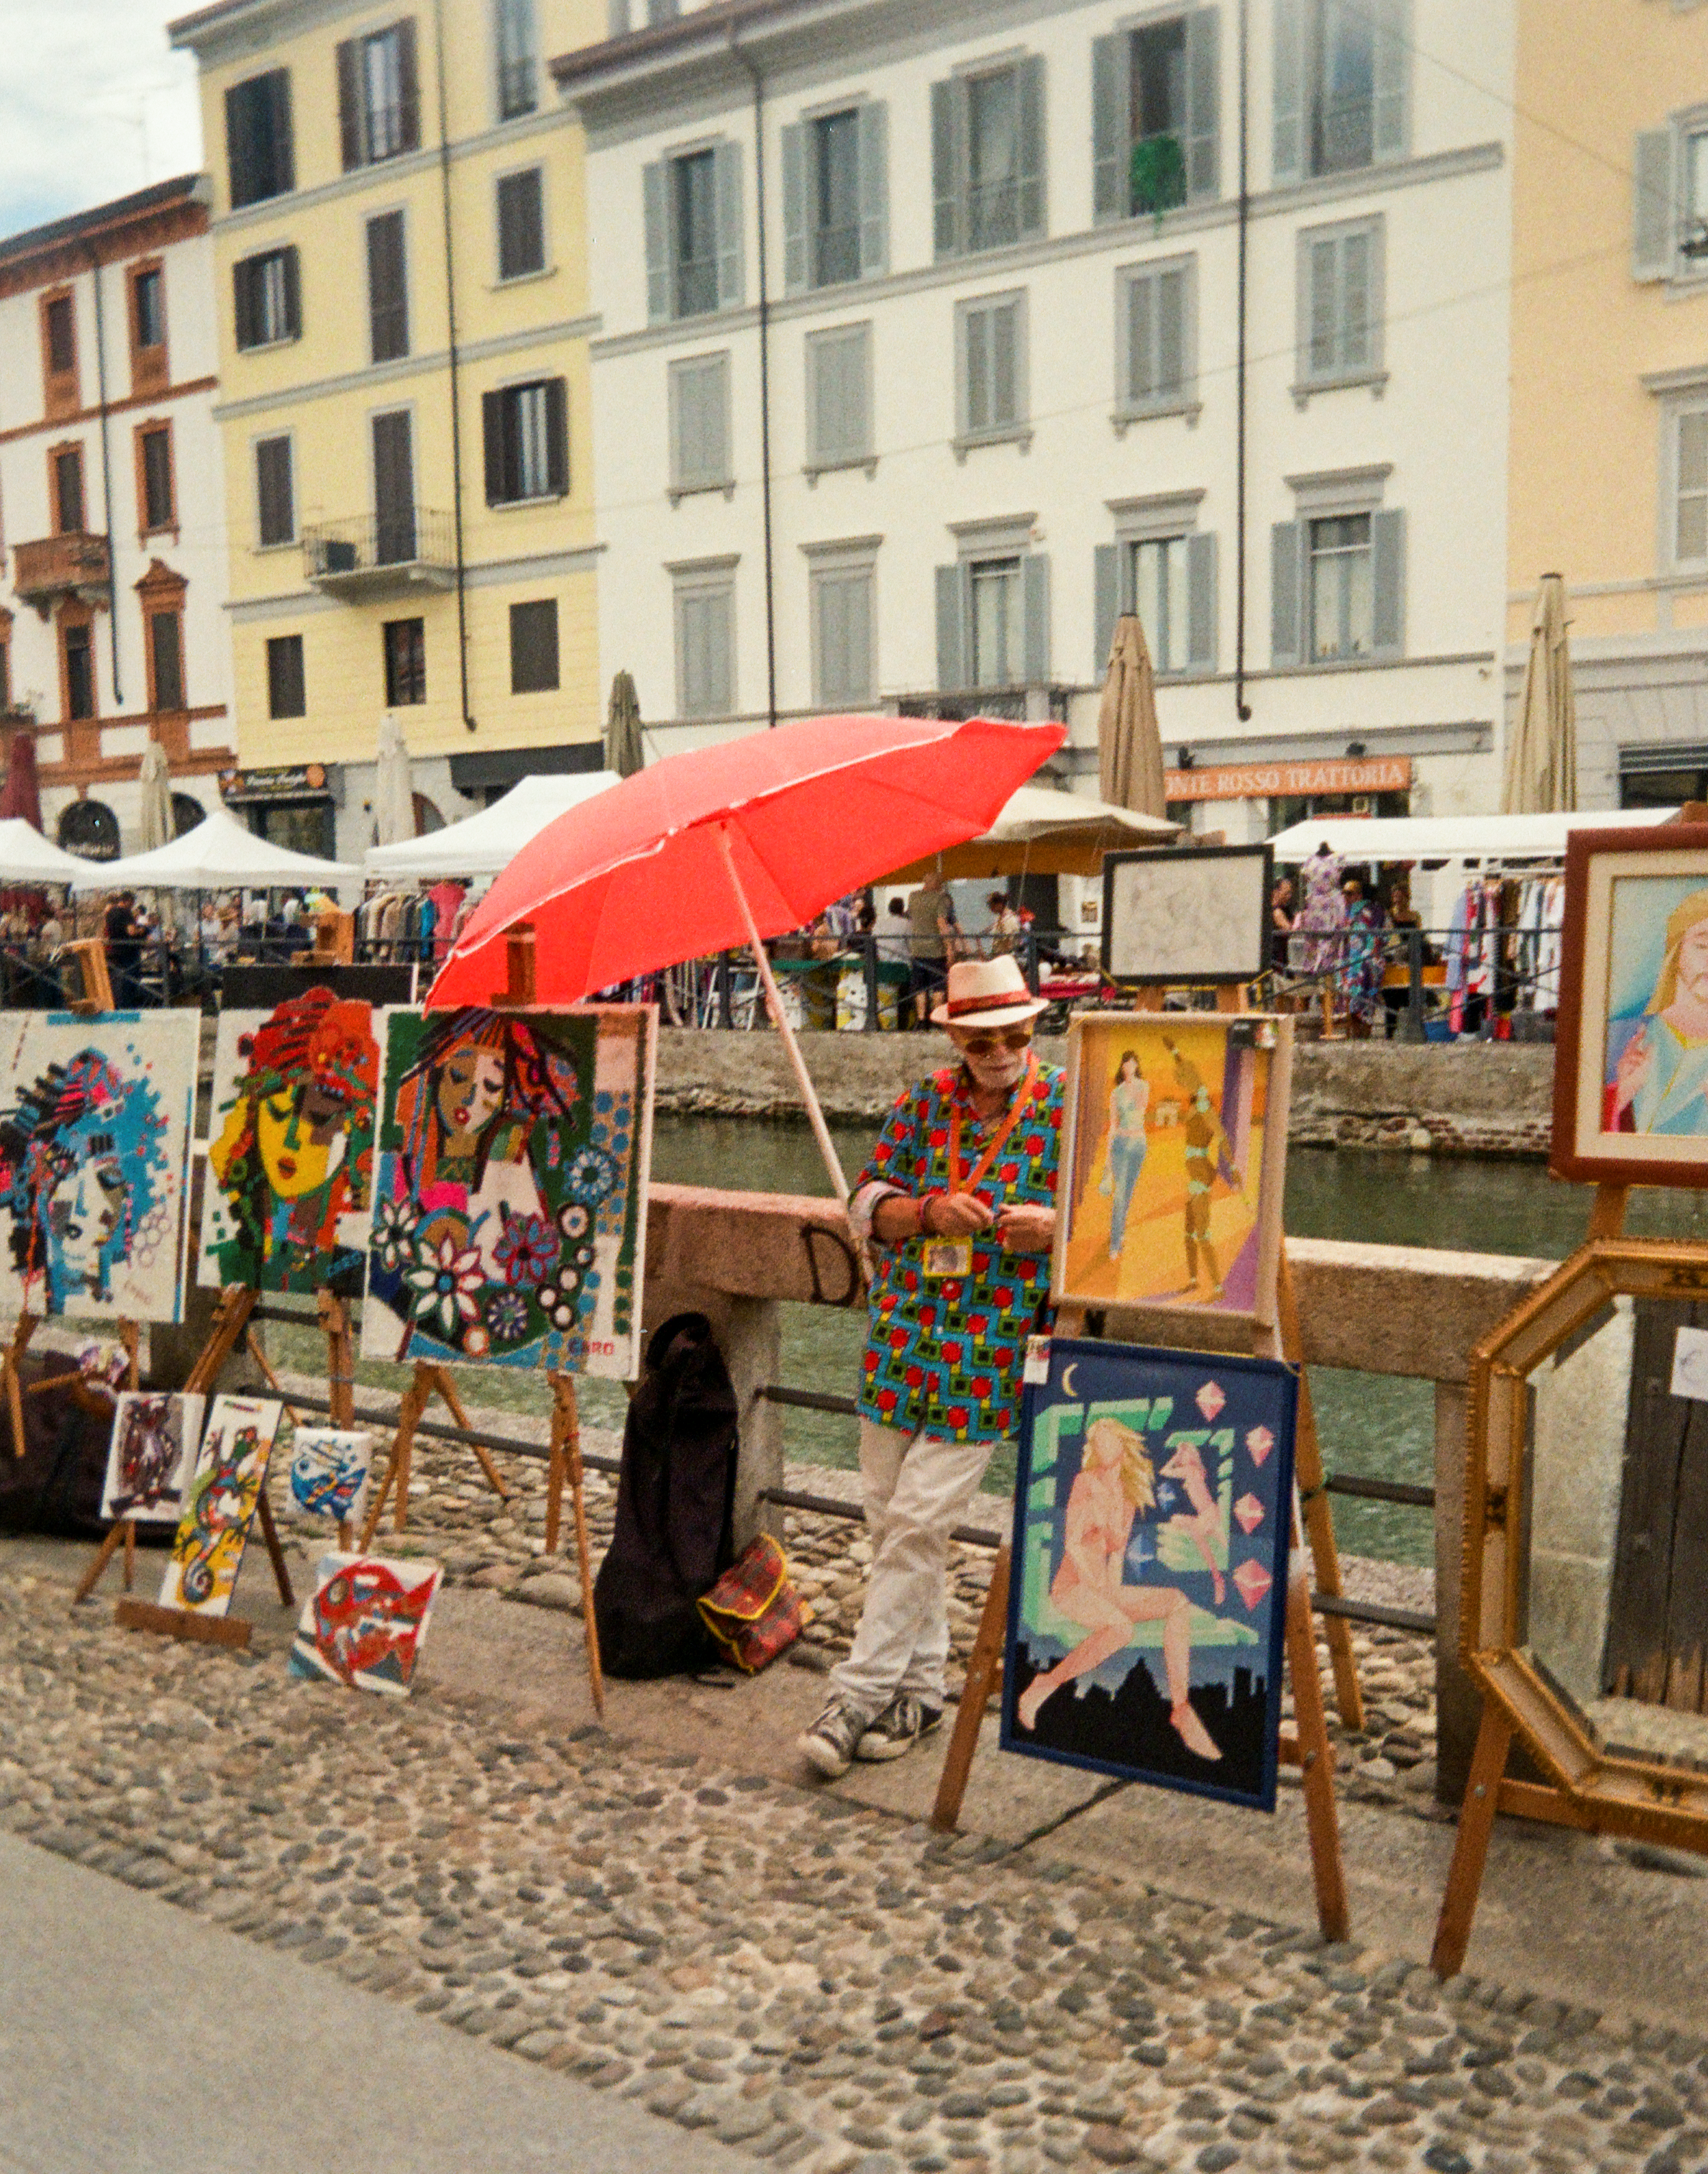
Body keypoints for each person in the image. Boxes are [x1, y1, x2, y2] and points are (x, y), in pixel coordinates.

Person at [797, 955, 1062, 1776]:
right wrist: (924, 1211)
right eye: (982, 1039)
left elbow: (1118, 1218)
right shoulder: (922, 1103)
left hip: (988, 1355)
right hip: (903, 1339)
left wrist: (1056, 1228)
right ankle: (920, 1690)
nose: (1000, 1050)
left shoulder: (1067, 1107)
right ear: (954, 1038)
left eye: (1013, 1033)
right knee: (890, 1519)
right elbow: (863, 1201)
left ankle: (853, 1696)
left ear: (1032, 1026)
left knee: (916, 1522)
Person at [1013, 1414, 1222, 1761]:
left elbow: (1117, 1554)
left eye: (1107, 1440)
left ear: (1122, 1445)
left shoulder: (1128, 1495)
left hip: (1102, 1587)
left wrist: (1111, 1592)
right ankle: (1046, 1684)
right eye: (1096, 1442)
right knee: (1121, 1628)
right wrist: (1094, 1586)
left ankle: (1181, 1709)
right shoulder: (1085, 1481)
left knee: (1177, 1602)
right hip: (1073, 1587)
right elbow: (1073, 1544)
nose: (1101, 1446)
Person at [206, 988, 378, 1292]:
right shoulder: (231, 1261)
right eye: (276, 1111)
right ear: (252, 1117)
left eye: (320, 1118)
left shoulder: (358, 1267)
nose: (292, 1142)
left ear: (353, 1130)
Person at [1606, 889, 1708, 1134]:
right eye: (1703, 946)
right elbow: (1584, 1129)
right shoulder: (1619, 1036)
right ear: (1676, 951)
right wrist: (1622, 1093)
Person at [1164, 1037, 1242, 1302]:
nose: (1181, 1081)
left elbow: (1222, 1138)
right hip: (1194, 1173)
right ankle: (1194, 1280)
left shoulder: (1205, 1107)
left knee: (1202, 1234)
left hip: (1200, 1173)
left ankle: (1218, 1288)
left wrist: (1233, 1167)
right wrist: (1174, 1050)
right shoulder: (1196, 1100)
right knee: (1189, 1231)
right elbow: (1185, 1068)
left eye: (1183, 1079)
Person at [1101, 1049, 1150, 1259]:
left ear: (1137, 1066)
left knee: (1128, 1193)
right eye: (1125, 1064)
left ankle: (1120, 1232)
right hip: (1120, 1144)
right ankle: (1115, 1243)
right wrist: (1107, 1162)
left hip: (1138, 1144)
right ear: (1122, 1067)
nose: (1128, 1067)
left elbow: (1140, 1109)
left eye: (1132, 1063)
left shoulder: (1144, 1087)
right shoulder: (1116, 1093)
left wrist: (1132, 1086)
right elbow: (1113, 1125)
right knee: (1119, 1195)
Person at [1338, 875, 1386, 1036]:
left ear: (1359, 895)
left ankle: (1363, 1031)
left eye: (1349, 893)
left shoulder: (1372, 912)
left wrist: (1368, 954)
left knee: (1365, 987)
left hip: (1367, 960)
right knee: (1347, 988)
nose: (1345, 897)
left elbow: (1380, 937)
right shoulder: (1345, 912)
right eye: (1344, 893)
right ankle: (1353, 1031)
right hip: (1349, 960)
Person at [906, 875, 954, 1028]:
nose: (941, 886)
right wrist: (949, 947)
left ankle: (921, 1020)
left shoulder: (913, 897)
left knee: (920, 987)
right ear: (936, 884)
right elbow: (941, 923)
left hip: (917, 949)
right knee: (938, 987)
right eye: (940, 883)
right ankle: (936, 1020)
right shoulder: (941, 899)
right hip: (936, 950)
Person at [103, 890, 143, 1004]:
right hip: (129, 951)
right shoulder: (125, 912)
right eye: (133, 902)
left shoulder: (110, 913)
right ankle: (128, 1005)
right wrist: (142, 930)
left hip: (116, 949)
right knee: (130, 982)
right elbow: (132, 931)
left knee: (118, 982)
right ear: (128, 901)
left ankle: (118, 1003)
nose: (133, 905)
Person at [1269, 877, 1297, 973]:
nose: (1289, 897)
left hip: (1285, 955)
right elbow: (1289, 929)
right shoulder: (1276, 912)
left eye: (1290, 893)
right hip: (1277, 958)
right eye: (1286, 893)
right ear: (1276, 892)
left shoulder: (1286, 909)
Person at [986, 890, 1022, 957]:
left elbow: (1008, 942)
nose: (991, 909)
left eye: (992, 906)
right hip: (997, 955)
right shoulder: (999, 918)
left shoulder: (1009, 919)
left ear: (999, 904)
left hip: (1005, 956)